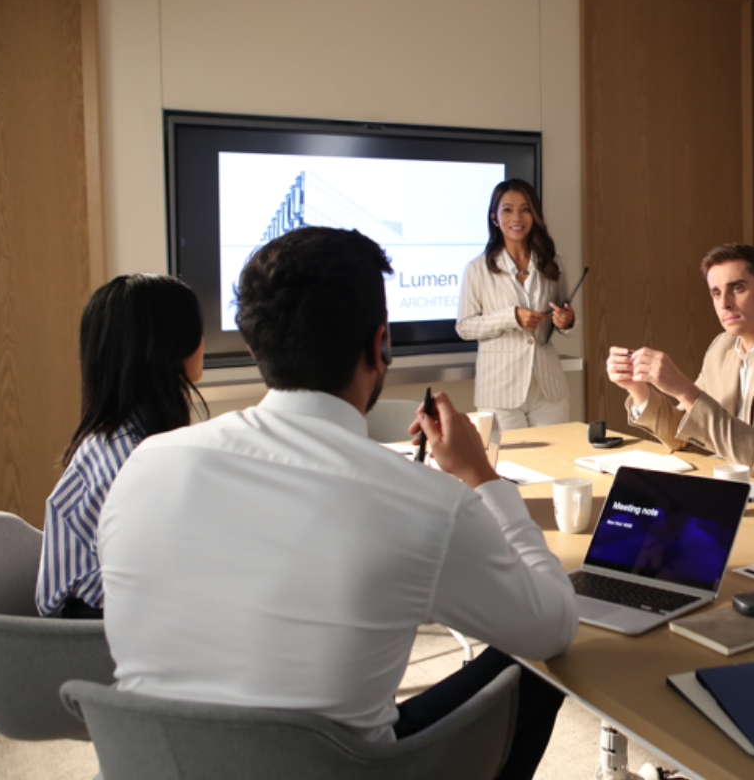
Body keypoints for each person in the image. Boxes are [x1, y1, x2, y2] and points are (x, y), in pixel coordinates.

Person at [98, 227, 577, 776]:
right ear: (380, 346)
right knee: (534, 666)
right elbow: (554, 625)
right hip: (338, 769)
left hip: (160, 764)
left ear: (255, 344)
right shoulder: (429, 505)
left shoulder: (144, 465)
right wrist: (483, 478)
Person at [35, 274, 206, 619]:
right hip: (88, 632)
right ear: (170, 346)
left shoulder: (119, 436)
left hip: (105, 616)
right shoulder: (136, 461)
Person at [606, 242, 754, 475]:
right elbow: (682, 435)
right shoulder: (722, 347)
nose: (724, 304)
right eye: (716, 293)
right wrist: (638, 390)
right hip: (746, 488)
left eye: (737, 289)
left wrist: (684, 389)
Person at [457, 179, 575, 430]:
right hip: (499, 391)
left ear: (534, 215)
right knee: (509, 468)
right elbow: (465, 327)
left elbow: (562, 317)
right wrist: (511, 317)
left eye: (525, 209)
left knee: (555, 463)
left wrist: (566, 321)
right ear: (494, 217)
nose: (517, 217)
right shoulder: (477, 269)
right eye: (507, 210)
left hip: (548, 389)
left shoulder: (555, 265)